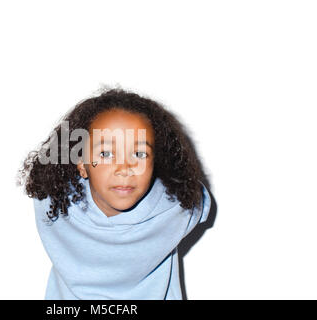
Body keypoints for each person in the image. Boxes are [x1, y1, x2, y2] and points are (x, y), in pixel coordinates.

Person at [16, 87, 212, 299]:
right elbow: (200, 201)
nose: (124, 168)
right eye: (106, 153)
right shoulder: (180, 207)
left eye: (139, 153)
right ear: (81, 163)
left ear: (155, 162)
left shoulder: (50, 198)